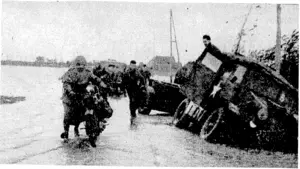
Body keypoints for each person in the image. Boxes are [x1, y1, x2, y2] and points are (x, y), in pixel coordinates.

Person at [60, 56, 112, 140]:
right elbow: (66, 84)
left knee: (90, 106)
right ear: (75, 65)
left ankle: (89, 126)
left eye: (83, 65)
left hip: (82, 94)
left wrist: (104, 85)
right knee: (68, 115)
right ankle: (66, 133)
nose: (81, 66)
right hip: (70, 96)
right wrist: (71, 92)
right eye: (78, 64)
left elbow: (96, 79)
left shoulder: (88, 72)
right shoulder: (70, 72)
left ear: (85, 65)